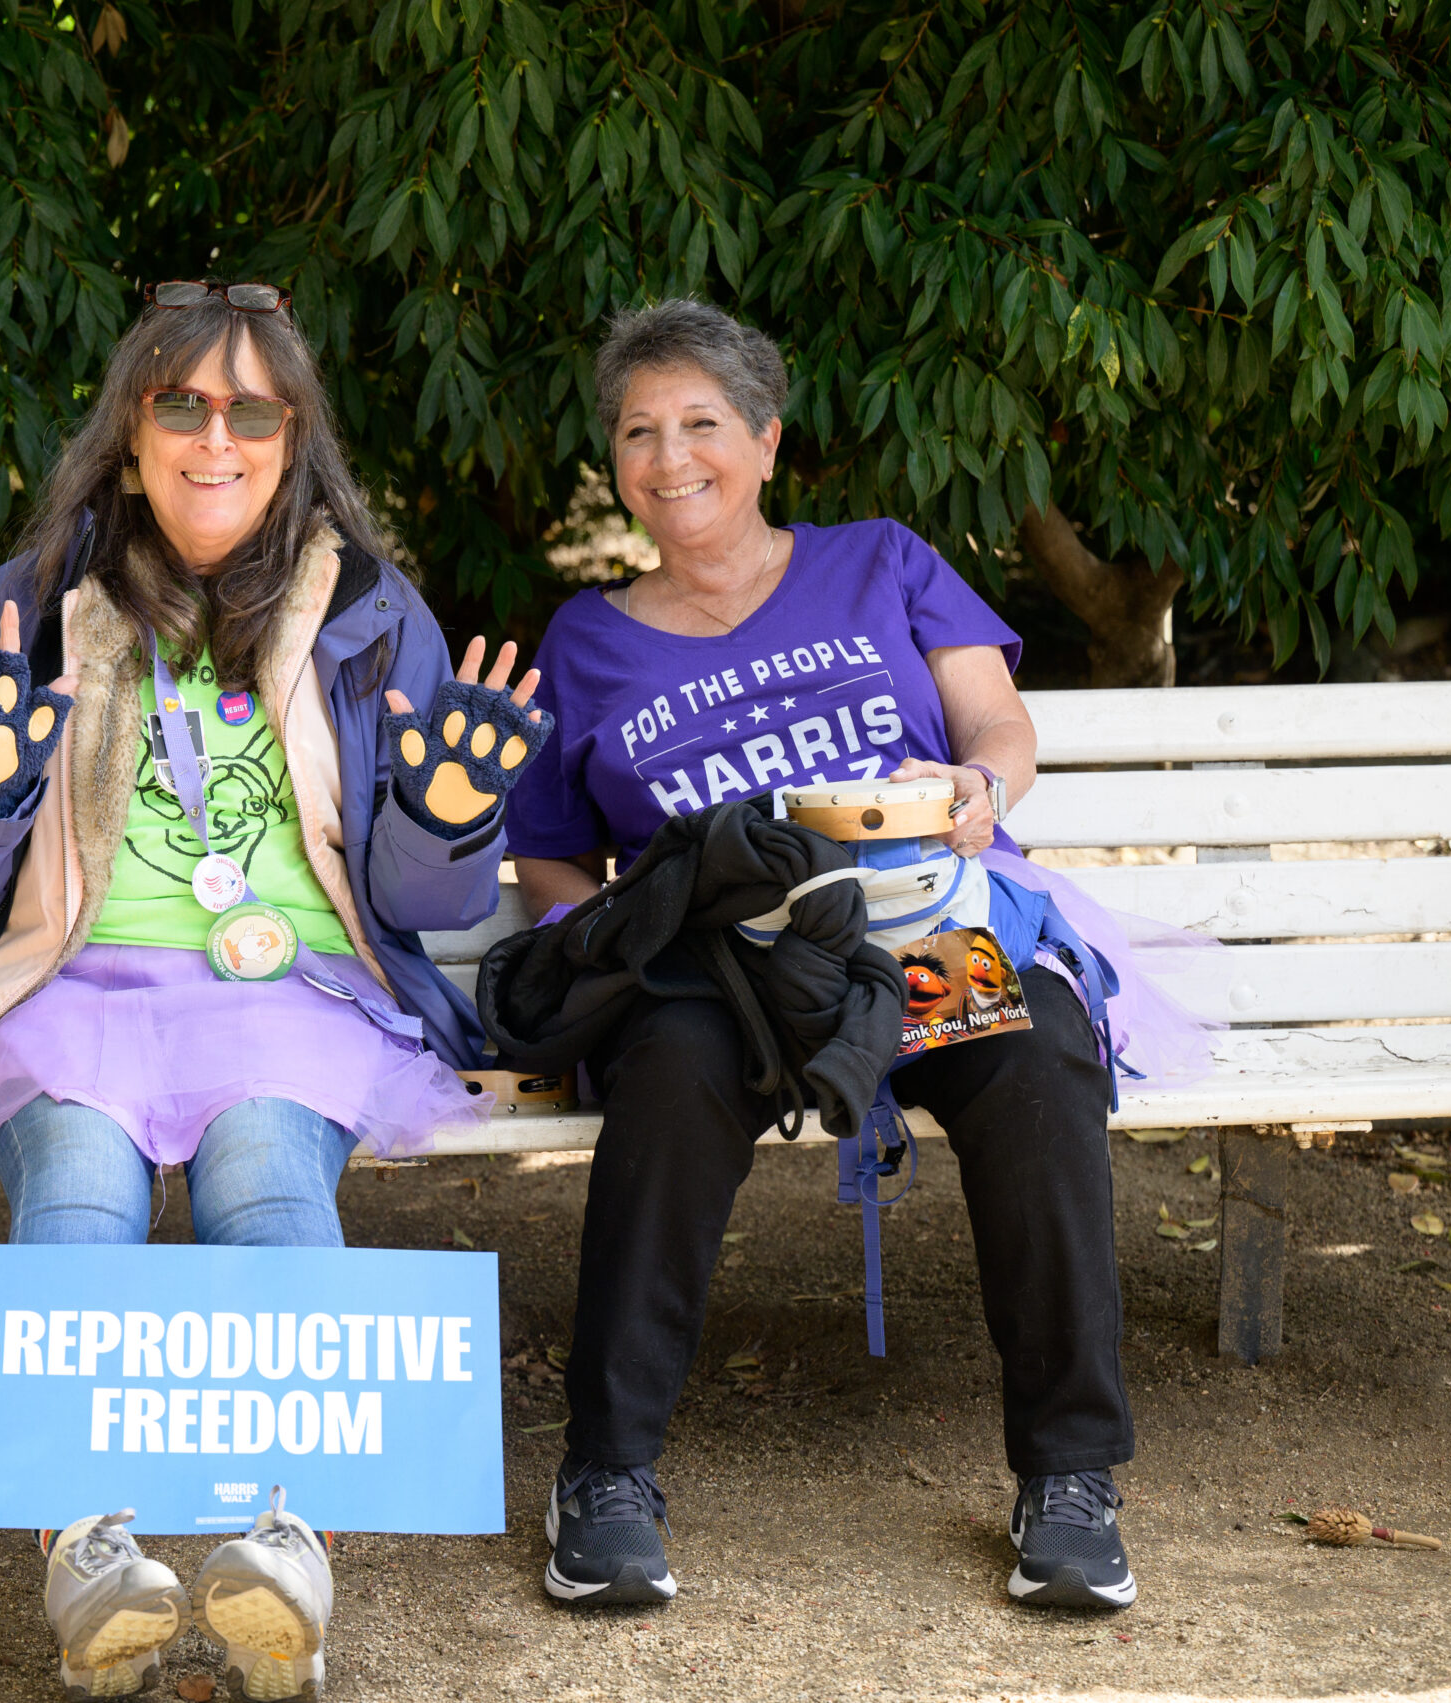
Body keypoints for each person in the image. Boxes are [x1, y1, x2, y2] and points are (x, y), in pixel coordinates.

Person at [0, 280, 551, 1701]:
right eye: (181, 403)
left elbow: (424, 906)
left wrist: (454, 816)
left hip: (290, 992)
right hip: (62, 979)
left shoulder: (365, 609)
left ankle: (280, 1547)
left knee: (270, 1178)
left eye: (251, 408)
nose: (213, 435)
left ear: (294, 440)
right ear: (128, 434)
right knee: (80, 1188)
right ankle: (87, 1552)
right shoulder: (33, 602)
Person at [505, 299, 1147, 1613]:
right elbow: (556, 857)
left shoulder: (881, 562)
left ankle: (1072, 1479)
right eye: (639, 432)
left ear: (766, 440)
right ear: (616, 463)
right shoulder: (589, 641)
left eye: (700, 424)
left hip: (918, 932)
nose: (669, 456)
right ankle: (608, 1479)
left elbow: (1000, 728)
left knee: (1032, 1061)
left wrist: (977, 787)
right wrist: (596, 938)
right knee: (673, 1075)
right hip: (725, 967)